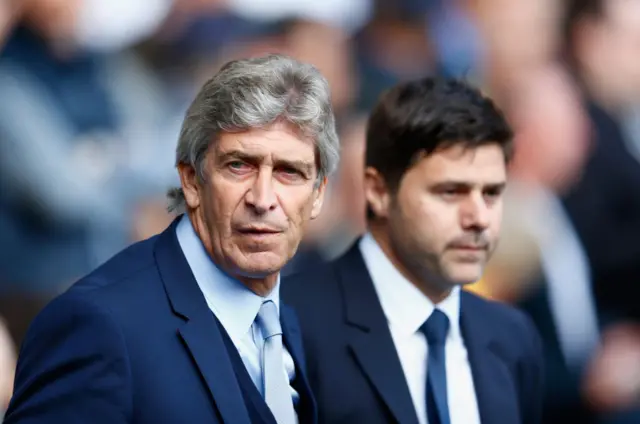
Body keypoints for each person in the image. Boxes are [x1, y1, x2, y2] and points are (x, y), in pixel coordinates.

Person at [4, 53, 339, 424]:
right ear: (191, 180)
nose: (262, 199)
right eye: (238, 166)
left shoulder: (292, 323)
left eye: (289, 172)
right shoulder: (98, 323)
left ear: (318, 194)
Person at [282, 77, 544, 424]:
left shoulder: (512, 337)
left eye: (492, 194)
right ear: (377, 191)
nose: (479, 218)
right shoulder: (288, 324)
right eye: (450, 192)